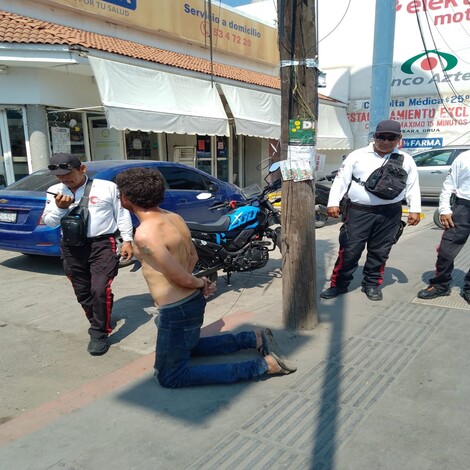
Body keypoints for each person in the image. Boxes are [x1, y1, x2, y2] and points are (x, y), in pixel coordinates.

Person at [115, 167, 296, 388]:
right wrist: (197, 284)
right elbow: (191, 257)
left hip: (176, 309)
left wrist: (200, 283)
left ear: (126, 198)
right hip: (189, 302)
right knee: (188, 345)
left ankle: (264, 366)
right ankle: (251, 338)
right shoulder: (173, 217)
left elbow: (179, 276)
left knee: (170, 377)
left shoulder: (145, 234)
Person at [43, 153, 134, 356]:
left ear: (82, 169)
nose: (64, 179)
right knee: (83, 291)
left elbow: (122, 214)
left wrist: (127, 240)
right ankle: (100, 317)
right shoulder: (54, 191)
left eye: (68, 174)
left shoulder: (107, 188)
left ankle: (98, 333)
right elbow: (49, 221)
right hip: (71, 247)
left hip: (102, 244)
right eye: (59, 176)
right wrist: (60, 209)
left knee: (99, 289)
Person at [320, 120, 421, 302]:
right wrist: (333, 203)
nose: (386, 141)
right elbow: (341, 180)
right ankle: (339, 284)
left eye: (392, 137)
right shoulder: (357, 155)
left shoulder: (406, 160)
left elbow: (412, 186)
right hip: (359, 212)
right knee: (349, 250)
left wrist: (415, 209)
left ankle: (372, 284)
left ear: (399, 138)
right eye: (382, 137)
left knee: (380, 251)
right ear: (375, 137)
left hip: (390, 213)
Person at [417, 149, 470, 303]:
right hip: (463, 208)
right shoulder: (464, 157)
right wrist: (445, 209)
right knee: (446, 250)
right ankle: (441, 284)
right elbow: (448, 185)